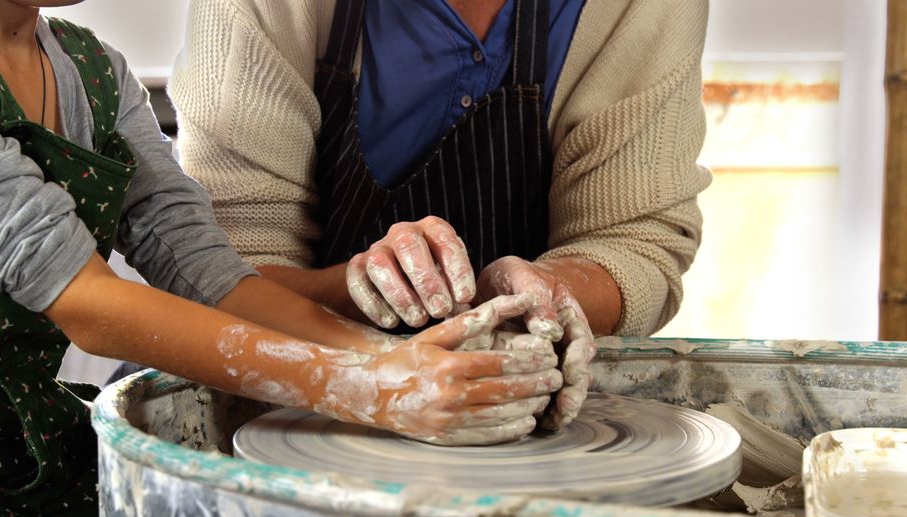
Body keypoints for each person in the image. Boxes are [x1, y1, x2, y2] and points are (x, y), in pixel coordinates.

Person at [0, 0, 561, 517]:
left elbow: (209, 276)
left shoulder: (94, 70)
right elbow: (84, 301)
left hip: (28, 450)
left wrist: (398, 361)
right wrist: (366, 390)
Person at [171, 0, 711, 428]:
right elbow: (217, 275)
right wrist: (362, 296)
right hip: (293, 408)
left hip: (529, 414)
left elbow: (636, 241)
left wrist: (552, 290)